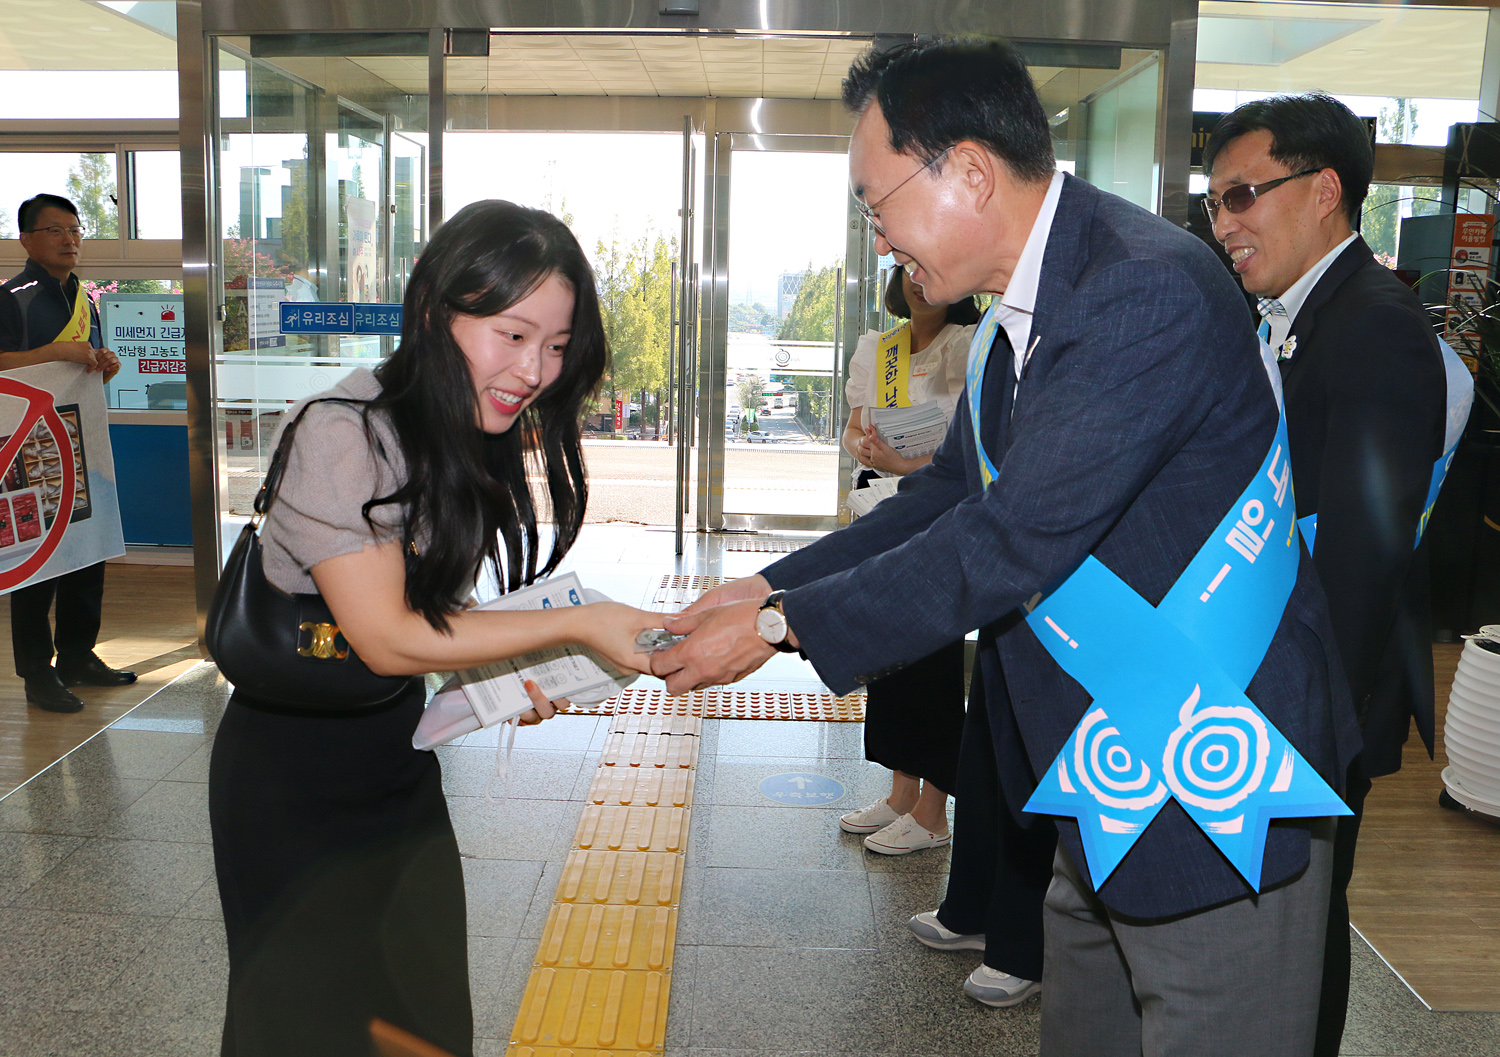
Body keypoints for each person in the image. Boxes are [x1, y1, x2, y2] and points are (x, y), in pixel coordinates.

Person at [652, 37, 1359, 1056]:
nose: (882, 238)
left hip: (1217, 785)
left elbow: (1012, 535)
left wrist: (778, 627)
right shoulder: (1024, 310)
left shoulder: (1137, 288)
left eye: (877, 203)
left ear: (970, 170)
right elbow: (945, 493)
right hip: (1111, 777)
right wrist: (761, 582)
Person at [207, 200, 662, 1057]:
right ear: (433, 312)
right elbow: (384, 637)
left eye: (558, 346)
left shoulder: (456, 434)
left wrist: (514, 669)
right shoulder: (343, 432)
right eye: (512, 334)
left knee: (424, 1024)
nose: (535, 369)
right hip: (289, 786)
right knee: (305, 1028)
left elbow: (422, 625)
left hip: (394, 763)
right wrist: (586, 623)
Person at [1204, 94, 1456, 1057]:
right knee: (1283, 931)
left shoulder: (1373, 325)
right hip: (1276, 682)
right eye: (1215, 203)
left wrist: (1304, 726)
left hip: (1316, 700)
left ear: (1324, 191)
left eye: (1242, 196)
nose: (1225, 223)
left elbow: (1362, 556)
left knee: (1301, 935)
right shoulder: (1288, 321)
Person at [836, 268, 977, 856]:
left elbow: (976, 449)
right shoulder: (881, 348)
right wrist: (866, 449)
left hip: (939, 515)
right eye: (907, 269)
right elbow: (850, 428)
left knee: (933, 664)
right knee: (889, 657)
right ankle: (900, 793)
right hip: (883, 513)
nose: (919, 280)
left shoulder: (972, 344)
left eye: (930, 265)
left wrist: (907, 466)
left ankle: (933, 812)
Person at [0, 193, 130, 714]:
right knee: (38, 558)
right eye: (55, 230)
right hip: (29, 444)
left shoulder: (85, 298)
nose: (70, 239)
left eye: (75, 230)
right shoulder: (13, 297)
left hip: (81, 439)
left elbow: (84, 363)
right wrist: (57, 352)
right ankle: (37, 673)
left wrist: (103, 362)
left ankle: (79, 654)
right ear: (27, 239)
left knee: (87, 548)